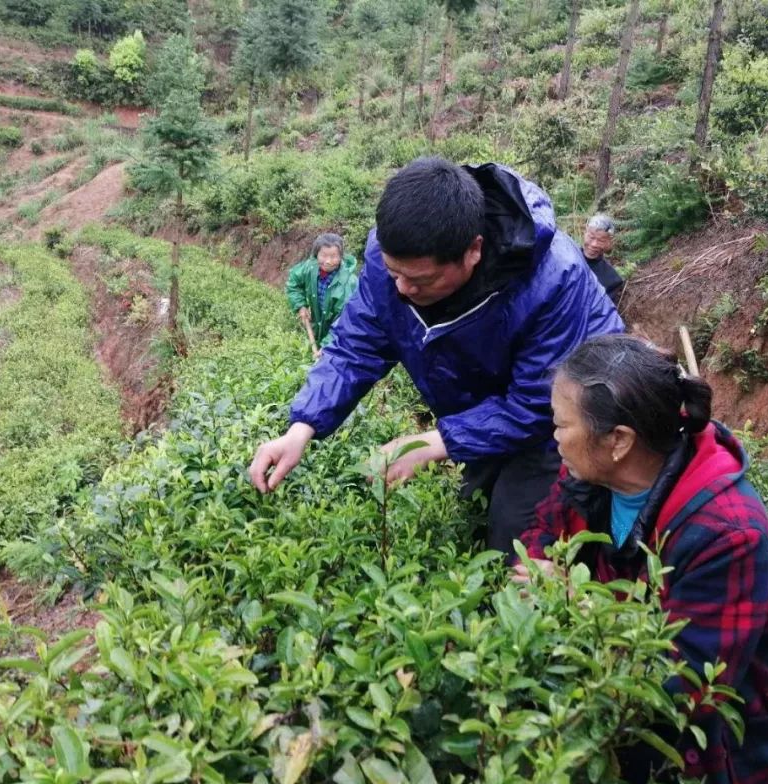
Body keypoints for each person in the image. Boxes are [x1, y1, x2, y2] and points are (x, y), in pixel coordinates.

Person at [250, 157, 625, 553]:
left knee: (518, 540)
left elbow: (538, 404)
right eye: (394, 272)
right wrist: (300, 429)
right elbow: (355, 345)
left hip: (566, 424)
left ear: (473, 251)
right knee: (467, 515)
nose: (401, 289)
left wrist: (432, 442)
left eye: (420, 280)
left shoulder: (552, 282)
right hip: (483, 398)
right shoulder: (393, 257)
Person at [515, 334, 768, 784]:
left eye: (561, 425)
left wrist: (570, 603)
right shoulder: (587, 473)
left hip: (731, 745)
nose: (554, 436)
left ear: (618, 441)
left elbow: (683, 685)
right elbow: (544, 532)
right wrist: (534, 565)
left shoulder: (728, 533)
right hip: (623, 697)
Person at [285, 233, 358, 357]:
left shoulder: (349, 283)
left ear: (341, 257)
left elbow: (345, 321)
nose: (328, 261)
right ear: (316, 254)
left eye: (334, 256)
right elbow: (293, 282)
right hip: (317, 328)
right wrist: (300, 306)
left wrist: (327, 345)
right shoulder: (310, 267)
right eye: (323, 255)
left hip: (340, 338)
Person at [582, 213, 625, 307]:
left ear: (609, 242)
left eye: (601, 241)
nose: (594, 244)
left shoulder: (612, 279)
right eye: (591, 237)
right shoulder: (568, 256)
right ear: (584, 233)